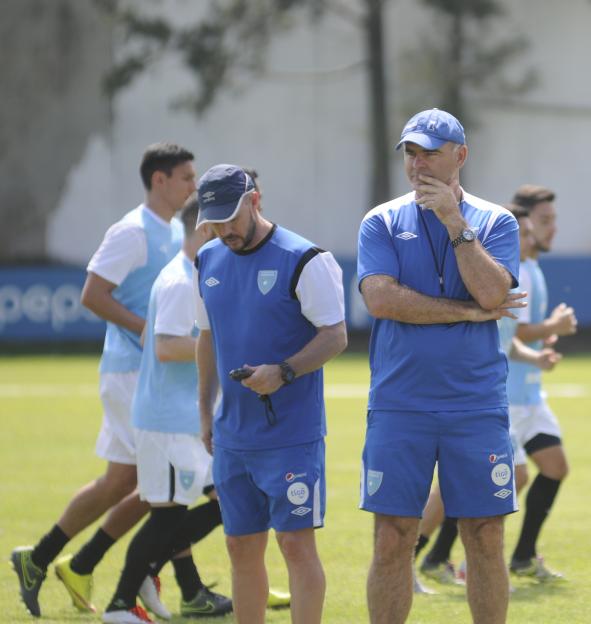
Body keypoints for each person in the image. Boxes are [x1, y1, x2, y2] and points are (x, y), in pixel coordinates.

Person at [11, 143, 196, 618]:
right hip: (130, 371)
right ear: (159, 179)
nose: (192, 186)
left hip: (149, 372)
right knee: (160, 480)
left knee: (125, 482)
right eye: (185, 178)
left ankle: (42, 559)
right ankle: (154, 585)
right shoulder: (132, 231)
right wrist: (143, 328)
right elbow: (93, 294)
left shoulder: (175, 228)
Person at [357, 108, 525, 624]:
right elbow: (382, 300)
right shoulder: (381, 221)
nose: (418, 163)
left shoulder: (497, 221)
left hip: (474, 405)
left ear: (461, 156)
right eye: (410, 152)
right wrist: (468, 314)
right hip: (399, 404)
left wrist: (455, 221)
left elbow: (496, 290)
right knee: (392, 537)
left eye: (430, 151)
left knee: (485, 536)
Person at [194, 164, 347, 624]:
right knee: (240, 545)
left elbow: (335, 335)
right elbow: (206, 337)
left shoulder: (304, 258)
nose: (223, 230)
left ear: (255, 201)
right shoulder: (207, 259)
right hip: (232, 436)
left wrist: (283, 371)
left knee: (295, 544)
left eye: (230, 217)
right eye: (213, 221)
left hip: (290, 436)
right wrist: (205, 411)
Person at [100, 197, 232, 623]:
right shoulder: (179, 281)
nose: (229, 239)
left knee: (222, 502)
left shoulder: (193, 274)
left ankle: (144, 572)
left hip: (184, 421)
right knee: (169, 518)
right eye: (223, 230)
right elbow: (166, 344)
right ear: (206, 230)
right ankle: (121, 604)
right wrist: (224, 349)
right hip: (169, 424)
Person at [415, 204, 561, 590]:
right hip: (492, 396)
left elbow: (509, 341)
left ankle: (441, 559)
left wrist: (537, 356)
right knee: (480, 482)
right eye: (527, 231)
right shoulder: (492, 276)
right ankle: (431, 559)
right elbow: (512, 336)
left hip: (506, 394)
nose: (531, 238)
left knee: (510, 476)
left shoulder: (513, 273)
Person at [505, 185, 577, 581]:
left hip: (530, 393)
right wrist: (551, 328)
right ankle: (434, 556)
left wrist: (543, 344)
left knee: (553, 466)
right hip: (507, 395)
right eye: (544, 221)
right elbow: (511, 333)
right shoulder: (511, 270)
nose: (552, 229)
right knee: (500, 482)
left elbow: (518, 336)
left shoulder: (532, 268)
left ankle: (521, 557)